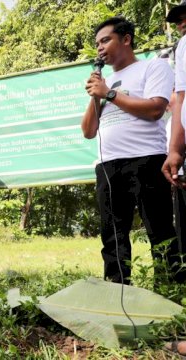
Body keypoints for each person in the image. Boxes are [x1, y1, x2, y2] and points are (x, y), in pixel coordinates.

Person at [81, 17, 177, 284]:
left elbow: (156, 109)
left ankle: (170, 289)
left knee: (159, 229)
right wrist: (96, 96)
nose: (100, 48)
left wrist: (109, 94)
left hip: (147, 159)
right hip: (108, 165)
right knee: (112, 233)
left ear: (126, 39)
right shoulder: (104, 81)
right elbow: (88, 131)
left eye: (106, 40)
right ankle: (117, 286)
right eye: (97, 43)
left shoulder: (153, 67)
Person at [163, 0, 186, 284]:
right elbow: (181, 97)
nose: (182, 23)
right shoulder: (182, 47)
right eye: (178, 19)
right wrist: (176, 150)